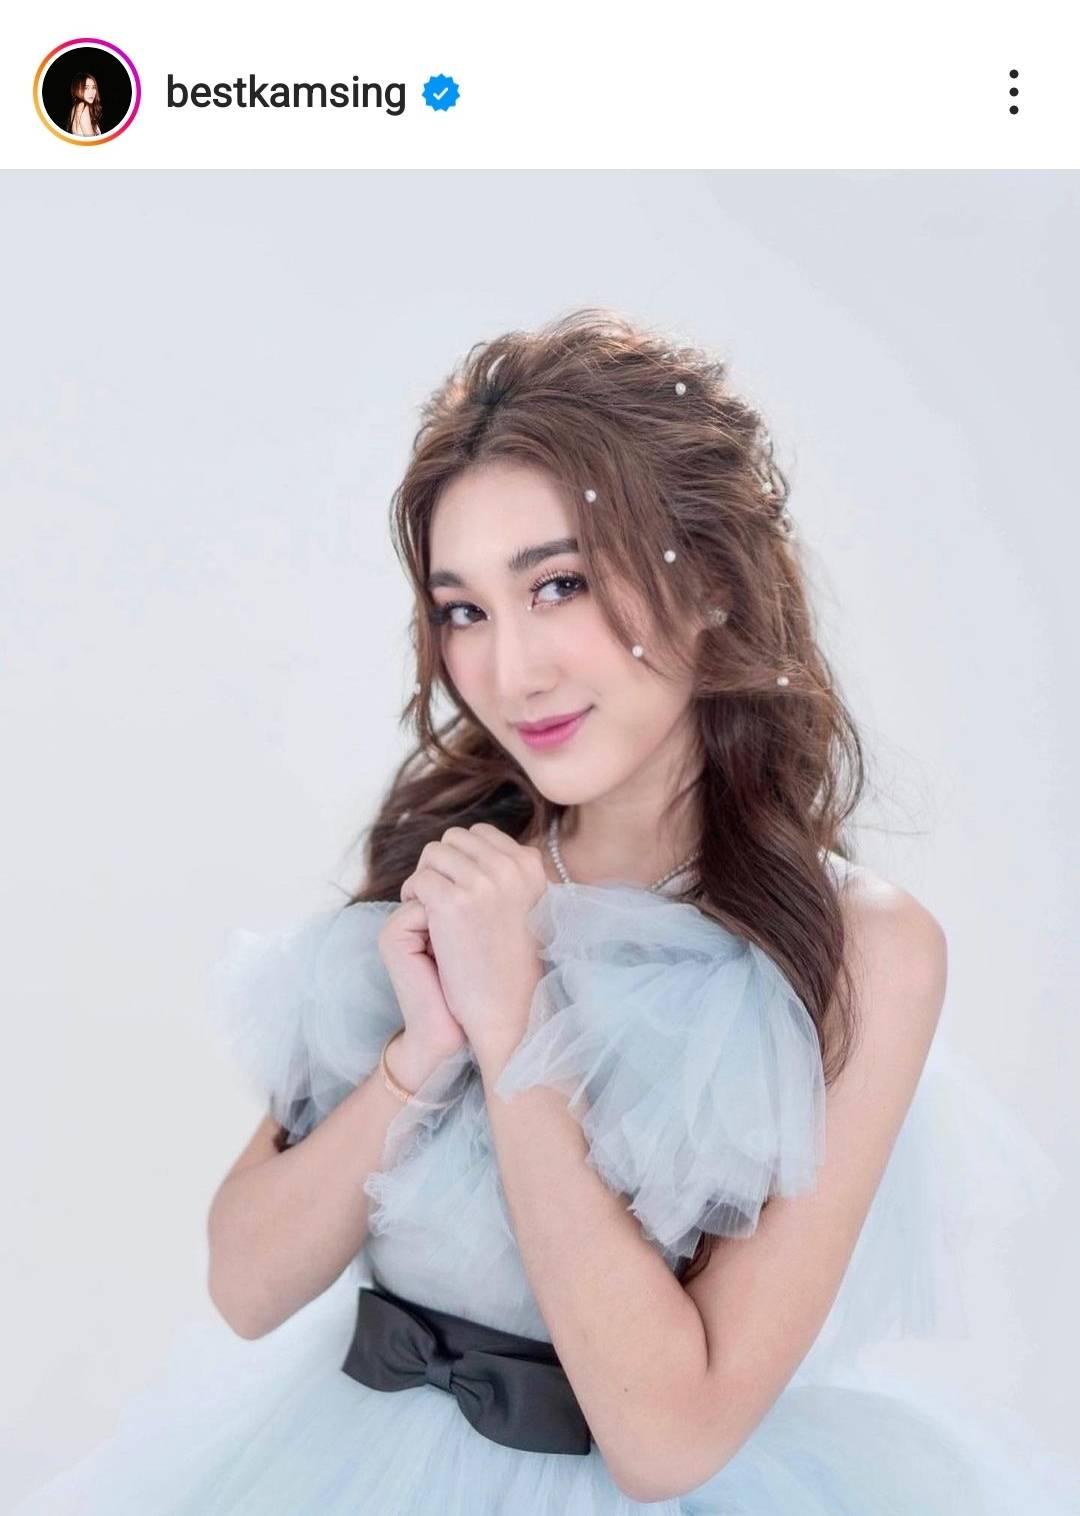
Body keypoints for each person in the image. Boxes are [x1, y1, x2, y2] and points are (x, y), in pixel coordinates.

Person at [14, 308, 1075, 1513]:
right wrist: (421, 1055)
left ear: (711, 580)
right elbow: (244, 1284)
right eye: (463, 608)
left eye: (558, 584)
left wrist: (518, 1027)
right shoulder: (454, 866)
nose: (510, 671)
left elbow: (667, 1439)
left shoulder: (858, 950)